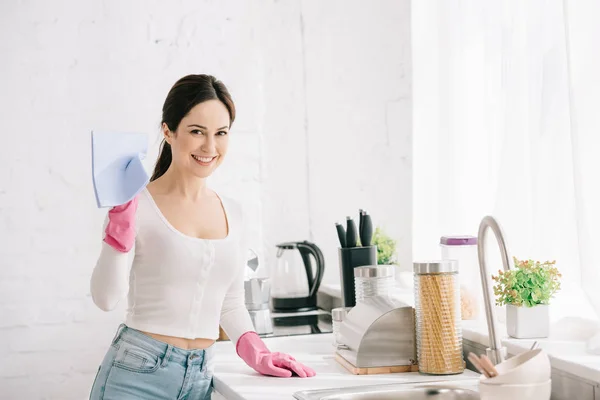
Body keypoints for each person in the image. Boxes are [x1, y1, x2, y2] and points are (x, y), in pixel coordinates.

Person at [89, 74, 315, 400]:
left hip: (199, 378)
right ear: (168, 131)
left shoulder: (233, 213)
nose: (210, 147)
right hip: (135, 375)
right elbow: (106, 298)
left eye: (220, 133)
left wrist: (257, 351)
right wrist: (120, 224)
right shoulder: (135, 205)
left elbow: (231, 302)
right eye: (197, 131)